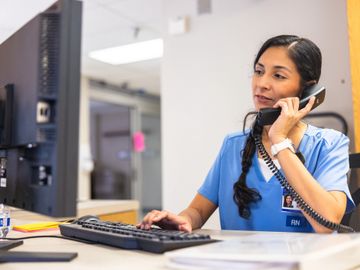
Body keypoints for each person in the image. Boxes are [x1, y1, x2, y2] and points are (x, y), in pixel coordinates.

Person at [138, 35, 355, 233]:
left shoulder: (330, 144)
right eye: (259, 71)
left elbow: (327, 223)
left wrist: (279, 141)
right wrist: (183, 219)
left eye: (278, 75)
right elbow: (198, 211)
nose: (261, 84)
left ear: (307, 91)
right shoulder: (233, 145)